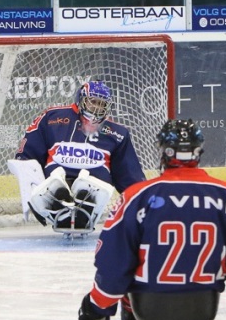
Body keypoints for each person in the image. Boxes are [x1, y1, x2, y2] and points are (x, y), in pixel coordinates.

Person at [78, 119, 226, 320]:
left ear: (163, 152)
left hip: (148, 311)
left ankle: (129, 314)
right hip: (202, 312)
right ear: (199, 150)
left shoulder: (137, 196)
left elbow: (114, 261)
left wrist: (96, 308)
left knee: (132, 254)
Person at [8, 80, 146, 233]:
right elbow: (27, 157)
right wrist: (32, 193)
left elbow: (128, 175)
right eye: (93, 101)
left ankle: (83, 204)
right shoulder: (52, 117)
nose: (97, 107)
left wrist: (143, 203)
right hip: (55, 181)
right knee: (56, 181)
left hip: (95, 185)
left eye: (102, 104)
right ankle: (58, 201)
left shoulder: (117, 133)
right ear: (81, 99)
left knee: (90, 186)